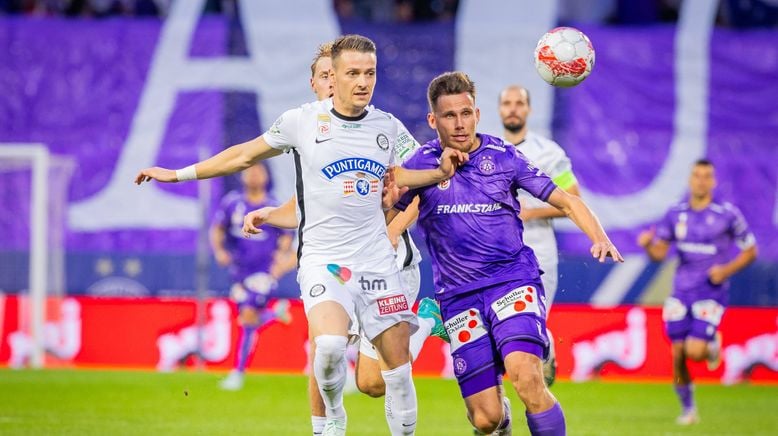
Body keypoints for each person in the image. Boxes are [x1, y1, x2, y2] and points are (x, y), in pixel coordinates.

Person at [135, 34, 467, 436]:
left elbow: (417, 179)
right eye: (347, 74)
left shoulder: (387, 128)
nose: (360, 82)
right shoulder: (300, 123)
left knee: (380, 381)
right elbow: (248, 158)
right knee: (327, 347)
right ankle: (330, 422)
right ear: (323, 81)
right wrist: (177, 174)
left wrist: (425, 190)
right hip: (325, 262)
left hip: (382, 262)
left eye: (369, 73)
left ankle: (418, 345)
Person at [389, 71, 624, 435]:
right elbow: (391, 211)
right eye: (449, 116)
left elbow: (565, 199)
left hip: (511, 281)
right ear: (433, 120)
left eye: (466, 113)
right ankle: (502, 417)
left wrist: (599, 236)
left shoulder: (503, 156)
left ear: (478, 114)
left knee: (526, 377)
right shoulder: (421, 162)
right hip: (458, 297)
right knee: (486, 419)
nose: (460, 123)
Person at [637, 159, 757, 426]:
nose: (701, 181)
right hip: (681, 291)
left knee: (694, 350)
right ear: (690, 180)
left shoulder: (727, 214)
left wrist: (726, 270)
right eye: (697, 176)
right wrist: (648, 245)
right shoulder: (676, 213)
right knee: (677, 353)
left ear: (713, 181)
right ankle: (688, 409)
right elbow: (659, 253)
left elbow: (751, 250)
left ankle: (711, 344)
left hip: (711, 292)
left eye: (707, 176)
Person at [498, 84, 582, 386]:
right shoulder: (489, 149)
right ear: (499, 110)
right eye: (507, 103)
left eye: (519, 102)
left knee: (530, 322)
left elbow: (573, 200)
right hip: (498, 253)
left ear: (529, 109)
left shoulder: (548, 153)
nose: (513, 108)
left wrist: (531, 212)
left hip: (538, 248)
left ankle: (541, 360)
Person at [210, 163, 296, 390]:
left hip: (263, 271)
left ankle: (237, 374)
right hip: (239, 271)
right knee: (247, 321)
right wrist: (219, 250)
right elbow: (218, 228)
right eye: (251, 171)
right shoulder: (232, 202)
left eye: (259, 171)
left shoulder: (273, 205)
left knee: (247, 318)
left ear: (266, 177)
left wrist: (282, 255)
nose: (255, 175)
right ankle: (274, 314)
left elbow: (287, 233)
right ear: (243, 176)